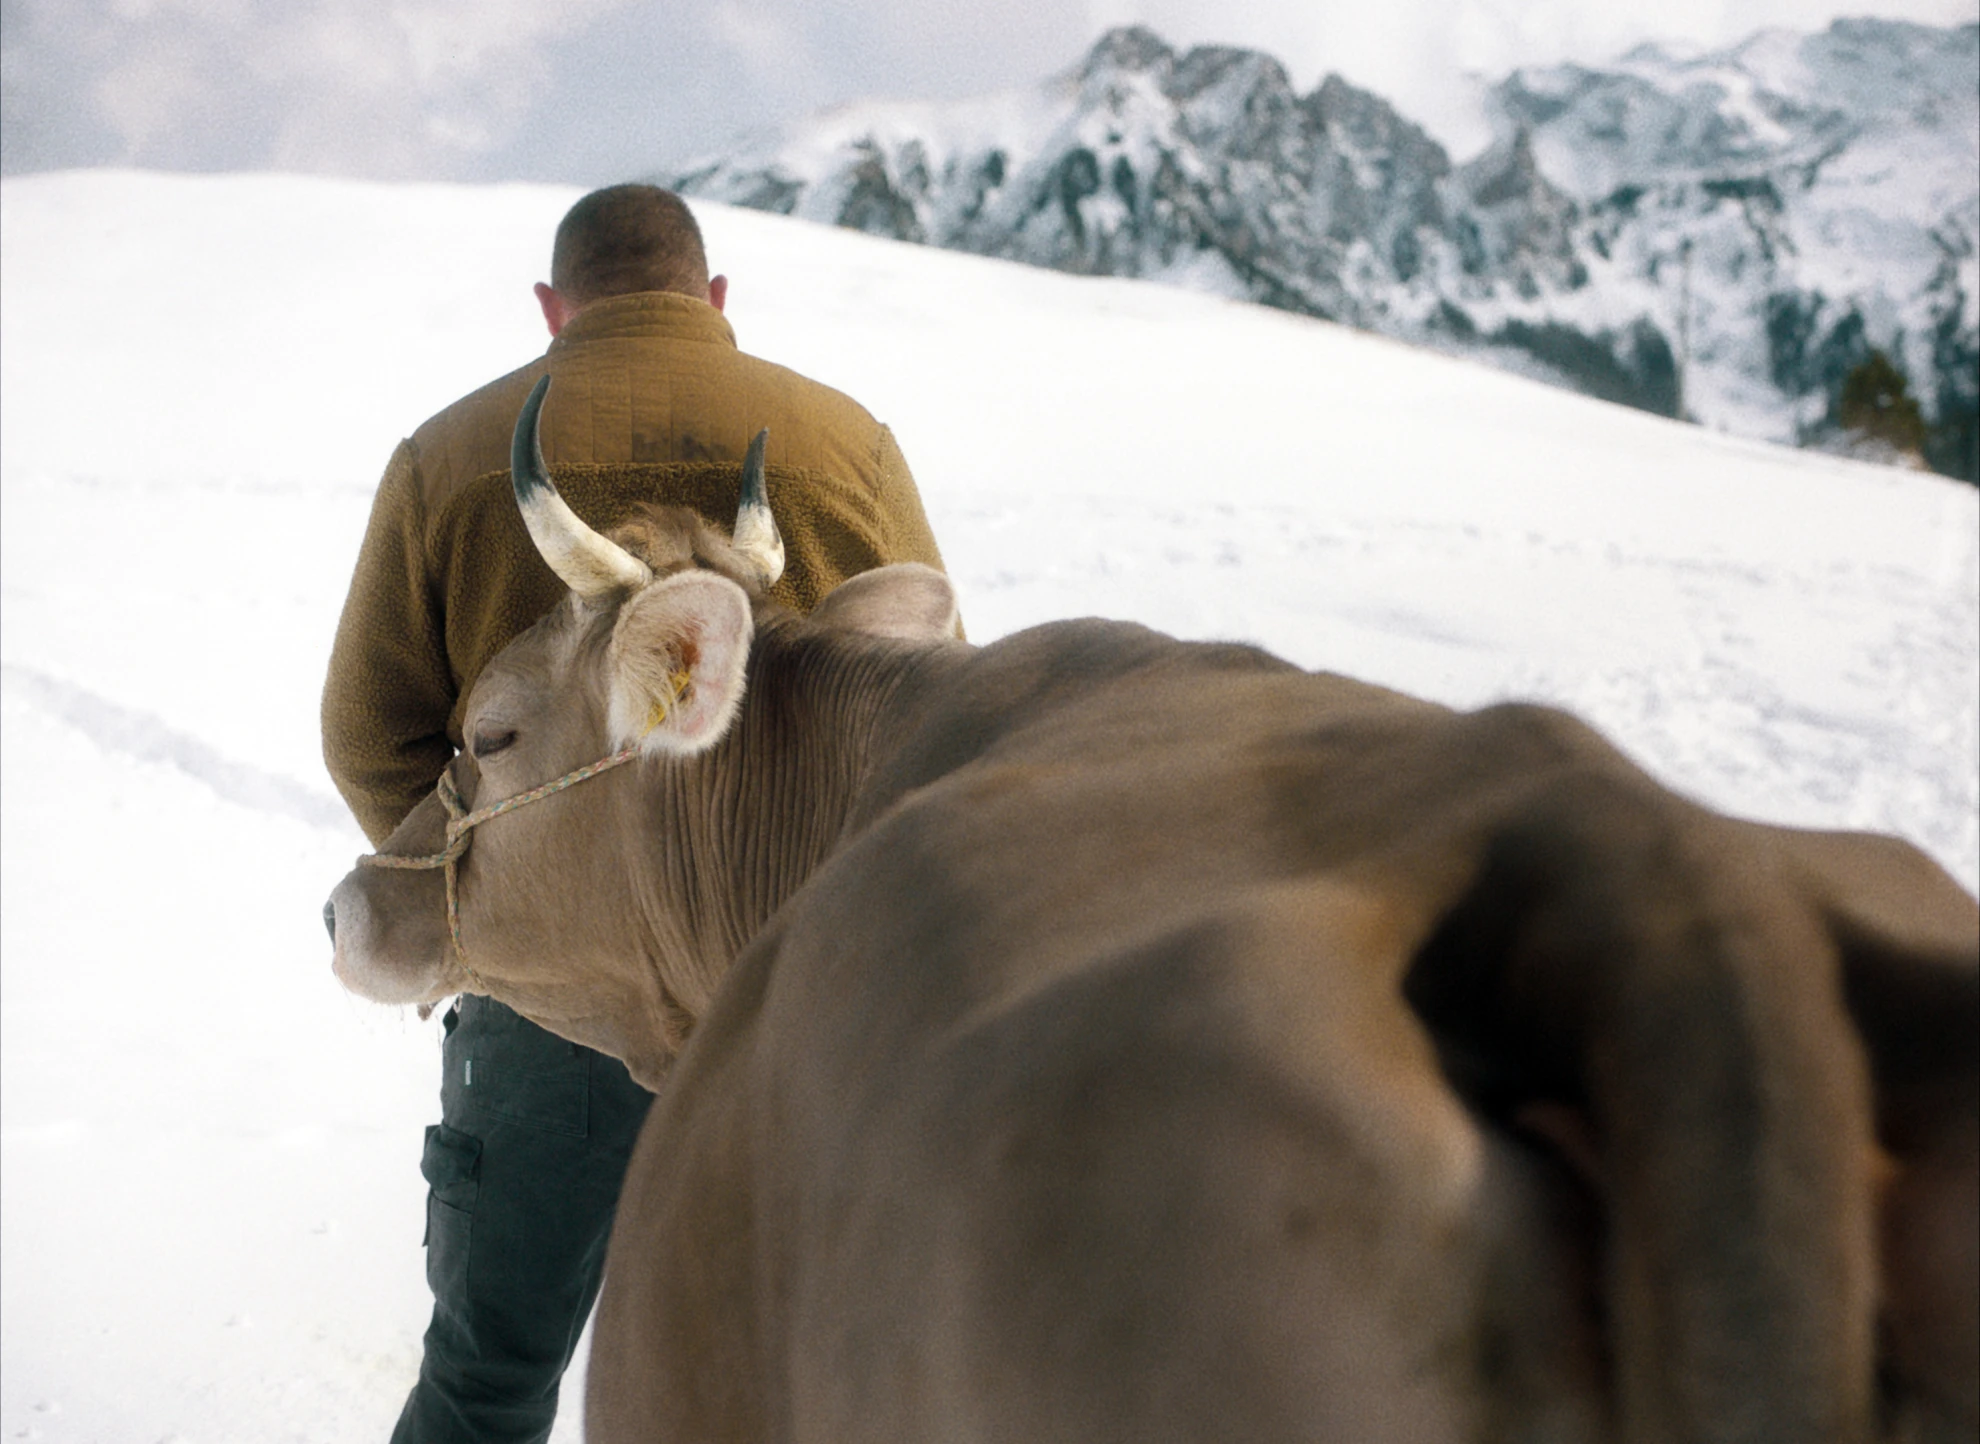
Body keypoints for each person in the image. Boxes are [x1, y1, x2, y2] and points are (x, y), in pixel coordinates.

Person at [322, 184, 953, 1444]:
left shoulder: (448, 457)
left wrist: (495, 904)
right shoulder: (845, 443)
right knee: (793, 1390)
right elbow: (921, 695)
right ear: (713, 300)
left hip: (544, 994)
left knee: (489, 1377)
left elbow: (367, 731)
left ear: (555, 311)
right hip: (799, 994)